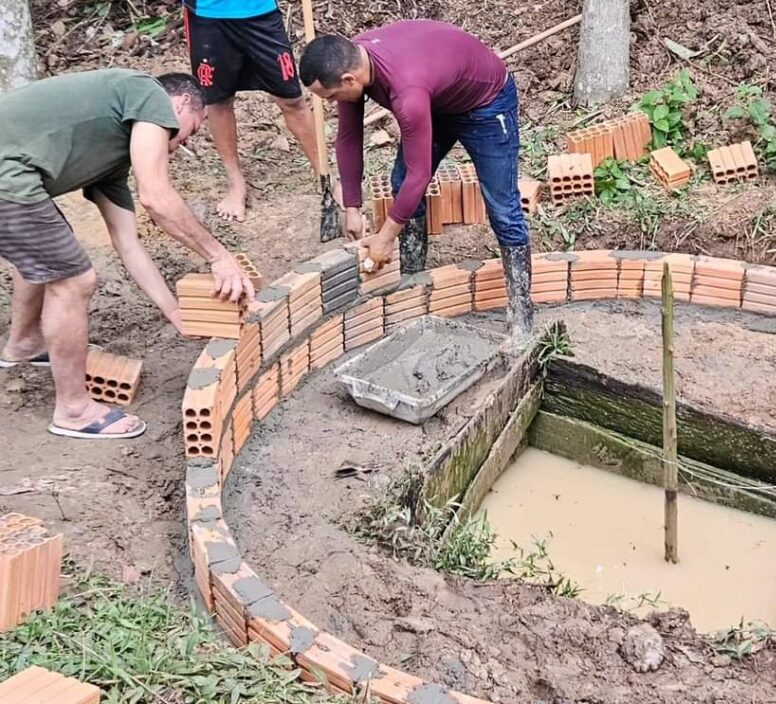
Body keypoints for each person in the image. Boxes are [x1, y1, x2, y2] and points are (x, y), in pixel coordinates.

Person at [0, 68, 254, 440]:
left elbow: (128, 243)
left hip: (14, 174)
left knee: (47, 249)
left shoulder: (111, 160)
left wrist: (174, 312)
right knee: (73, 280)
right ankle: (73, 410)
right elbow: (157, 197)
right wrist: (219, 256)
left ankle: (24, 344)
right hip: (8, 177)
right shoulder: (148, 94)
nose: (185, 141)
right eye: (193, 128)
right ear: (181, 103)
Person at [298, 21, 534, 344]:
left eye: (330, 96)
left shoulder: (406, 91)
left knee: (503, 210)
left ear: (348, 79)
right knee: (399, 182)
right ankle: (413, 282)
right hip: (438, 99)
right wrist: (351, 207)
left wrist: (385, 238)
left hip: (487, 105)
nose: (329, 102)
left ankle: (521, 316)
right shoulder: (351, 58)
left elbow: (419, 176)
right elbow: (349, 137)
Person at [183, 0, 341, 222]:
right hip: (208, 14)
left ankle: (324, 173)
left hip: (261, 12)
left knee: (292, 99)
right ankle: (236, 183)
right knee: (218, 101)